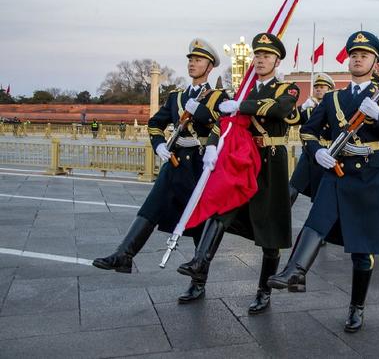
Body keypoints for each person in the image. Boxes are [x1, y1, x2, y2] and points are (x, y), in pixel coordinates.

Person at [267, 31, 379, 333]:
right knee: (315, 221)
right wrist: (317, 150)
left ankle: (356, 306)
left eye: (364, 54)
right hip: (336, 170)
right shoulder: (334, 98)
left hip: (369, 177)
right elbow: (308, 130)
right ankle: (294, 271)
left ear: (375, 63)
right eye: (354, 54)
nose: (357, 58)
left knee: (362, 249)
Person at [92, 38, 228, 300]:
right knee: (151, 207)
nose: (192, 63)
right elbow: (155, 123)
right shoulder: (176, 96)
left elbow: (223, 125)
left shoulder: (218, 96)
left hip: (200, 163)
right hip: (175, 161)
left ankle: (198, 282)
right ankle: (124, 255)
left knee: (198, 221)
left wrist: (199, 112)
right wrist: (158, 146)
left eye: (198, 60)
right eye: (190, 59)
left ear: (209, 66)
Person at [176, 33, 300, 313]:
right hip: (243, 159)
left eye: (266, 56)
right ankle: (200, 262)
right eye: (257, 55)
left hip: (271, 162)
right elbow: (226, 123)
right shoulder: (244, 90)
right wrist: (211, 146)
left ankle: (263, 291)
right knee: (220, 209)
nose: (260, 60)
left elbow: (280, 110)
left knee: (271, 233)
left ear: (277, 60)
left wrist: (243, 106)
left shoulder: (287, 89)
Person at [289, 72, 335, 205]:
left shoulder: (335, 108)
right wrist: (302, 107)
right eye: (316, 87)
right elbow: (290, 119)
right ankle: (281, 221)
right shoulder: (308, 109)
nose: (319, 89)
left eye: (323, 87)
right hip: (308, 155)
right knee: (292, 188)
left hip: (327, 153)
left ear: (330, 89)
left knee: (322, 195)